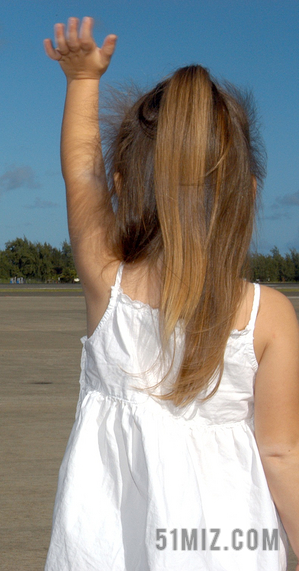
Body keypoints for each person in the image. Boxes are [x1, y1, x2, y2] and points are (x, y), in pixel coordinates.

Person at [42, 17, 299, 570]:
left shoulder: (107, 282)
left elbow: (80, 174)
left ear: (123, 179)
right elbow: (281, 453)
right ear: (249, 191)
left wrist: (82, 81)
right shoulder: (268, 315)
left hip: (111, 548)